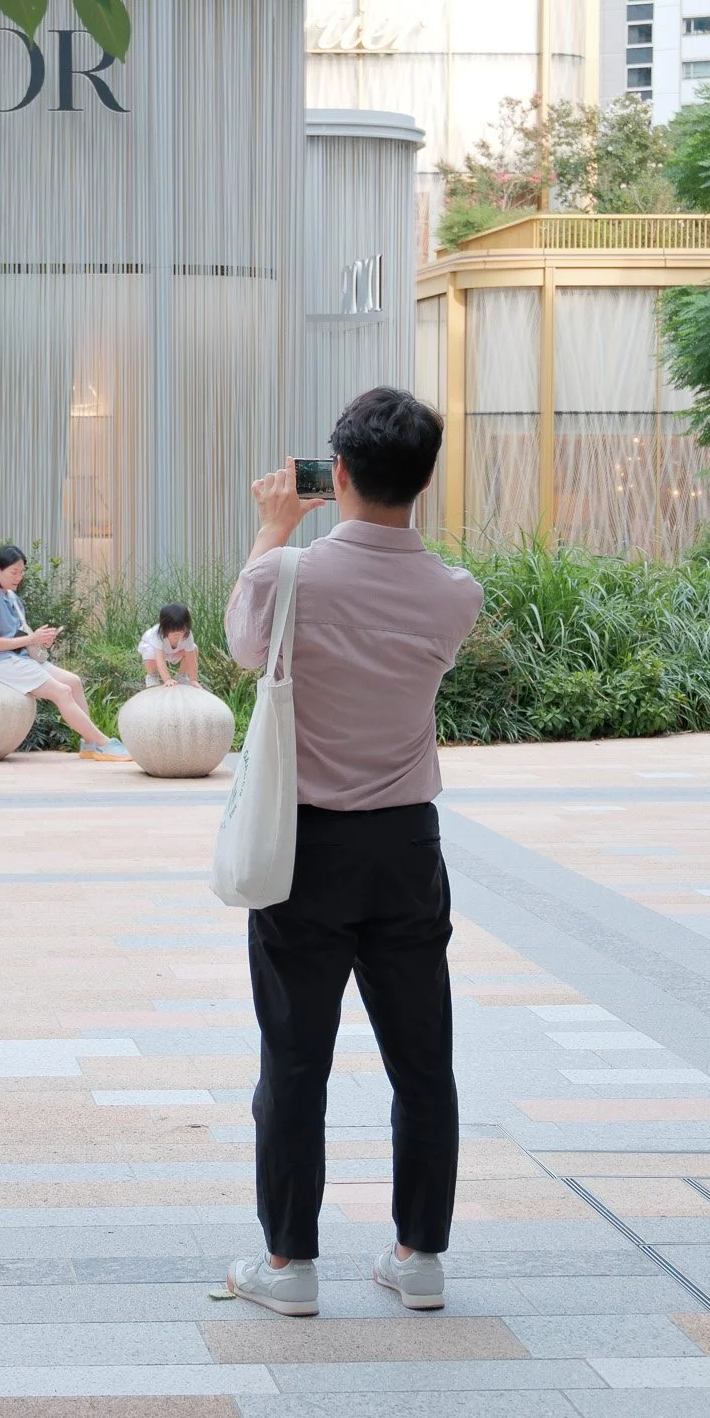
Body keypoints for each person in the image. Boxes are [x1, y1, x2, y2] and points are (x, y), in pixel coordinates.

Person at [221, 387, 483, 1319]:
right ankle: (419, 1257)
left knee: (294, 1061)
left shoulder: (286, 575)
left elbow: (244, 651)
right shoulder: (455, 593)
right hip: (406, 845)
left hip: (305, 847)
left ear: (334, 473)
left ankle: (289, 1266)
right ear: (423, 480)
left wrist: (271, 529)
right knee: (423, 1060)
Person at [0, 545, 129, 762]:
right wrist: (32, 639)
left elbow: (20, 636)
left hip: (18, 657)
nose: (19, 577)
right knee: (62, 692)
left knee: (73, 681)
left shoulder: (11, 597)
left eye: (22, 572)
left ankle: (89, 744)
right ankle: (103, 743)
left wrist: (40, 640)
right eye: (14, 572)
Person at [139, 603, 200, 688]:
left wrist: (193, 680)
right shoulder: (157, 634)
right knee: (149, 651)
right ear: (163, 627)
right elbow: (159, 659)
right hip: (155, 652)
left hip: (174, 652)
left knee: (194, 649)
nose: (177, 634)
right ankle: (152, 676)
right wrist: (167, 679)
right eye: (172, 630)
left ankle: (182, 676)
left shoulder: (188, 635)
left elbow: (191, 658)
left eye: (181, 630)